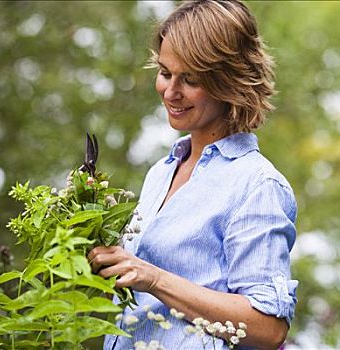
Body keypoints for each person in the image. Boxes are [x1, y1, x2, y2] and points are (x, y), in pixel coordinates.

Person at [88, 1, 298, 349]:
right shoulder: (162, 171)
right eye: (166, 73)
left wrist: (153, 278)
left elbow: (267, 328)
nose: (171, 92)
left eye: (191, 80)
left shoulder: (257, 184)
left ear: (229, 81)